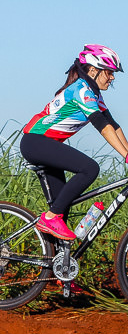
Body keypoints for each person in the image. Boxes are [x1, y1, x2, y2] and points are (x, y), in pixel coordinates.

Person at [21, 44, 128, 240]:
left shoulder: (94, 94)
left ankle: (55, 260)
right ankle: (50, 217)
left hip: (46, 145)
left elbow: (114, 125)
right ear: (94, 70)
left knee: (63, 205)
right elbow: (102, 127)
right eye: (109, 72)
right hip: (36, 142)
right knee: (90, 168)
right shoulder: (82, 90)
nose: (112, 77)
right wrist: (125, 155)